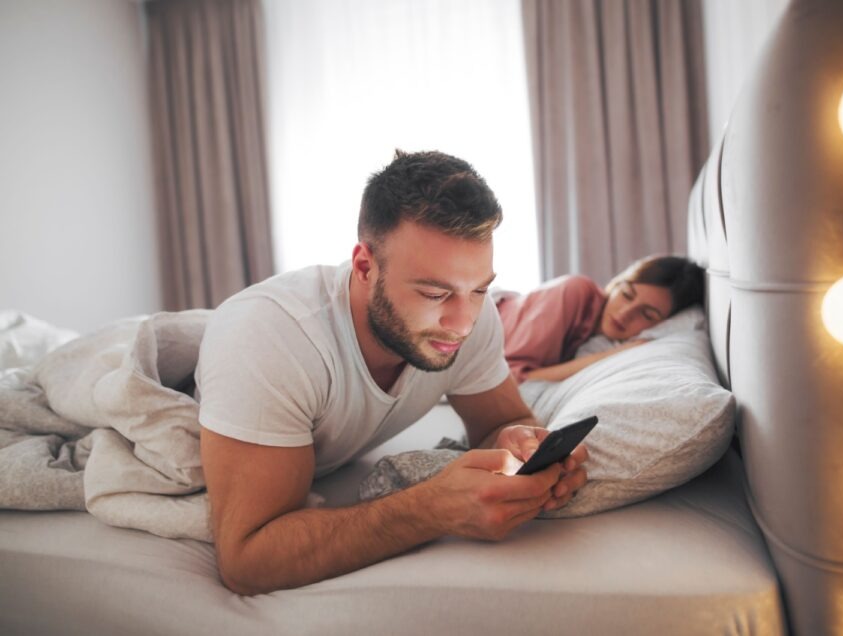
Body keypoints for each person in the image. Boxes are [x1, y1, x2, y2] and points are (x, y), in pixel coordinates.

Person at [195, 150, 588, 596]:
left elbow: (500, 423)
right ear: (364, 267)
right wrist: (430, 509)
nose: (462, 323)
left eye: (479, 289)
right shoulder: (270, 337)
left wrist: (524, 450)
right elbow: (247, 561)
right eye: (435, 293)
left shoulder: (470, 322)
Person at [496, 256, 705, 384]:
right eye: (626, 295)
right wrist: (616, 354)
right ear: (616, 285)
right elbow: (509, 379)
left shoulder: (596, 339)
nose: (625, 313)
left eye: (646, 315)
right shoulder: (575, 291)